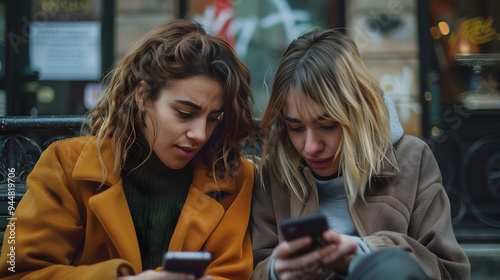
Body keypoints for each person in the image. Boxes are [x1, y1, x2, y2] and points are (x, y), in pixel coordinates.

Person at [0, 19, 256, 280]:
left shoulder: (231, 177)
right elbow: (19, 272)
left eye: (214, 118)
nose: (200, 134)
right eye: (184, 113)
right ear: (143, 96)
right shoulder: (66, 165)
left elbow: (231, 274)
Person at [250, 28, 470, 280]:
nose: (310, 146)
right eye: (295, 127)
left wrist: (367, 252)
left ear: (359, 112)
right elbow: (252, 268)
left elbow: (450, 271)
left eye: (328, 125)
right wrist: (275, 271)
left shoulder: (411, 158)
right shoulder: (273, 173)